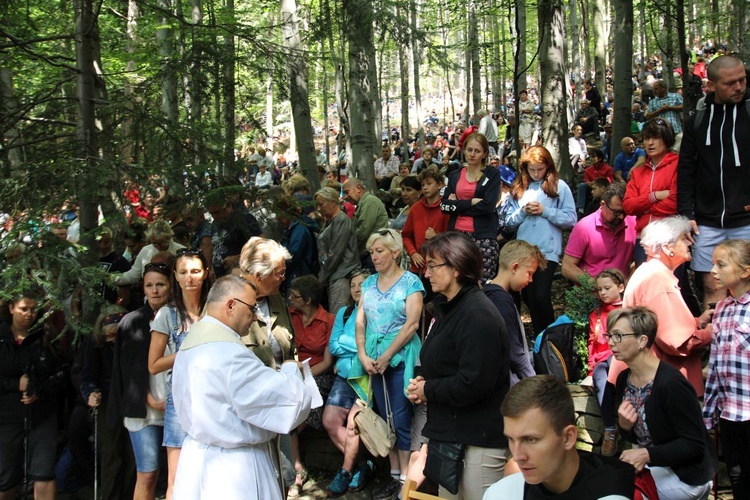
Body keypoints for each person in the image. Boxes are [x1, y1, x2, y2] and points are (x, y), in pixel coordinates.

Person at [171, 275, 312, 499]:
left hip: (197, 462)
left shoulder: (192, 342)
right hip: (234, 471)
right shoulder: (229, 354)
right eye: (252, 307)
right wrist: (290, 370)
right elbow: (289, 403)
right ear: (230, 305)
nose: (255, 316)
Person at [406, 232, 510, 500]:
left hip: (478, 442)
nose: (426, 273)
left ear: (456, 268)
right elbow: (438, 359)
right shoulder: (449, 308)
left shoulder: (477, 314)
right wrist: (420, 379)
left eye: (432, 266)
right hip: (452, 436)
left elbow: (474, 383)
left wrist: (428, 390)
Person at [611, 307, 716, 499]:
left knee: (622, 494)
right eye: (609, 335)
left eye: (618, 336)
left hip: (688, 474)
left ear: (642, 341)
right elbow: (642, 437)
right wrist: (625, 427)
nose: (611, 342)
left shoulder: (672, 384)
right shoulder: (624, 379)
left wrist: (646, 455)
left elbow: (694, 445)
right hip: (657, 466)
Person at [352, 229, 424, 499]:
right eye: (371, 252)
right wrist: (362, 353)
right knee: (385, 418)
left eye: (379, 251)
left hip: (401, 357)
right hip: (373, 357)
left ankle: (407, 480)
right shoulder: (368, 283)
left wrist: (387, 356)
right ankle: (394, 475)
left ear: (395, 252)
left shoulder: (411, 283)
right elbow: (361, 321)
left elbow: (412, 324)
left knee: (402, 417)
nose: (374, 257)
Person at [607, 216, 713, 397]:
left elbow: (659, 323)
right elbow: (677, 341)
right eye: (683, 238)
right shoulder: (658, 279)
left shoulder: (648, 271)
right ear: (666, 248)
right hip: (661, 386)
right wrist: (711, 332)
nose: (690, 242)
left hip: (649, 380)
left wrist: (697, 322)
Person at [483, 375, 635, 499]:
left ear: (568, 437)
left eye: (530, 440)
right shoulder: (500, 493)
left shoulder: (610, 494)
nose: (517, 456)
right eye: (511, 439)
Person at [677, 55, 750, 309]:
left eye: (742, 80)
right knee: (711, 285)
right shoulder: (697, 120)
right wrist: (685, 213)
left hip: (745, 219)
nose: (739, 87)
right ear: (712, 85)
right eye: (731, 83)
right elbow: (686, 169)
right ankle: (716, 345)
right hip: (706, 221)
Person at [147, 249, 211, 500]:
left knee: (210, 471)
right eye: (183, 272)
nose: (189, 278)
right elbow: (153, 365)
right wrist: (188, 351)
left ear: (205, 273)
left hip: (212, 395)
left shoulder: (214, 311)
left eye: (195, 271)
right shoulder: (167, 314)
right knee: (176, 477)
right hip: (180, 397)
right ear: (175, 274)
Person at [108, 262, 172, 500]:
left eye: (160, 284)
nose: (155, 290)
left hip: (176, 406)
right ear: (143, 289)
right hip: (143, 410)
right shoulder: (132, 321)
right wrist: (150, 400)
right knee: (147, 472)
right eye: (149, 285)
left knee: (178, 474)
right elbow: (128, 372)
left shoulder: (181, 318)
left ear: (170, 286)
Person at [504, 146, 577, 334]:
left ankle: (550, 339)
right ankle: (540, 338)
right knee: (529, 296)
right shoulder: (519, 188)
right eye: (532, 169)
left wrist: (546, 211)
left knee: (540, 295)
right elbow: (508, 223)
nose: (536, 174)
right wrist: (522, 212)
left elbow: (571, 219)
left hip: (547, 251)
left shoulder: (559, 186)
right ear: (525, 168)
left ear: (548, 167)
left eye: (540, 169)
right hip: (523, 252)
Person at [0, 292, 60, 500]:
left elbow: (62, 372)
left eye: (34, 310)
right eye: (23, 309)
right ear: (11, 308)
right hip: (6, 416)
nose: (29, 315)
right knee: (5, 477)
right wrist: (14, 384)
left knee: (43, 473)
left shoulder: (46, 335)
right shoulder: (2, 336)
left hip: (41, 414)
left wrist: (39, 389)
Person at [704, 240, 750, 499]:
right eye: (712, 264)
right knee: (737, 477)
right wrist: (709, 414)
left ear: (745, 271)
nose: (713, 270)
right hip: (730, 413)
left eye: (721, 265)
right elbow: (716, 366)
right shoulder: (721, 308)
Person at [323, 271, 376, 497]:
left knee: (354, 424)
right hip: (344, 377)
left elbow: (375, 346)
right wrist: (359, 345)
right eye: (352, 285)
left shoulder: (376, 313)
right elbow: (332, 347)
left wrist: (353, 344)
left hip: (365, 378)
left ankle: (345, 471)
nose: (356, 288)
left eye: (361, 284)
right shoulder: (344, 314)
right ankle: (364, 465)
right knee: (329, 420)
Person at [286, 275, 335, 497]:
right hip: (291, 373)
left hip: (318, 375)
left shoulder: (328, 321)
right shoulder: (290, 315)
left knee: (300, 412)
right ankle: (297, 467)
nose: (290, 300)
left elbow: (326, 362)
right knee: (287, 412)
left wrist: (305, 376)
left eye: (295, 297)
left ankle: (297, 469)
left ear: (307, 300)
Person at [80, 306, 136, 500]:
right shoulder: (95, 343)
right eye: (108, 337)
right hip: (106, 400)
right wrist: (90, 392)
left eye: (115, 336)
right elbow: (87, 375)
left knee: (132, 453)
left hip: (131, 398)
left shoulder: (134, 342)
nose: (111, 340)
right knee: (111, 453)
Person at [440, 132, 502, 282]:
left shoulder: (492, 174)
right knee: (458, 281)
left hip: (484, 237)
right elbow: (444, 206)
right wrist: (470, 202)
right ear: (464, 150)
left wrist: (457, 205)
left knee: (483, 282)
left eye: (477, 151)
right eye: (469, 150)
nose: (472, 154)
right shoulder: (454, 175)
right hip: (458, 234)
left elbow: (488, 206)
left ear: (484, 154)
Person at [485, 240, 544, 385]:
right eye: (529, 273)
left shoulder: (487, 293)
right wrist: (532, 380)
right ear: (515, 267)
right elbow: (514, 350)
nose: (530, 280)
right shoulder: (501, 300)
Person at [623, 118, 680, 266]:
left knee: (670, 287)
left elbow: (674, 202)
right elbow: (628, 206)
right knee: (647, 288)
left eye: (655, 138)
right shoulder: (638, 172)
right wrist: (655, 196)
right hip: (643, 239)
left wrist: (644, 208)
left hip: (670, 237)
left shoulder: (678, 164)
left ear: (667, 139)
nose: (650, 143)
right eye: (647, 138)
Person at [238, 237, 295, 370]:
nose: (283, 278)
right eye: (279, 274)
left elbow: (291, 349)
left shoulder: (276, 298)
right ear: (259, 277)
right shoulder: (230, 303)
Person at [562, 182, 636, 284]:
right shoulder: (584, 227)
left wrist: (630, 282)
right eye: (616, 212)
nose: (621, 217)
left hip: (621, 292)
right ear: (603, 205)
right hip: (590, 293)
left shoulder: (633, 222)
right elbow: (567, 267)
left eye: (624, 212)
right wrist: (597, 285)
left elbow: (637, 260)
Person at [587, 268, 625, 457]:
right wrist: (590, 369)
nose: (603, 293)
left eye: (607, 288)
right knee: (600, 376)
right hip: (603, 361)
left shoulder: (627, 310)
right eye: (599, 289)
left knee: (614, 362)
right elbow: (592, 344)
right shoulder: (596, 314)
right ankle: (610, 429)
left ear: (620, 287)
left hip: (622, 359)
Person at [314, 187, 360, 314]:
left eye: (321, 204)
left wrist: (322, 278)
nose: (318, 208)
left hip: (342, 275)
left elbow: (336, 253)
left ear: (333, 202)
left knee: (338, 315)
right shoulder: (330, 220)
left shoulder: (341, 220)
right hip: (333, 275)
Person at [403, 167, 449, 276]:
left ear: (439, 185)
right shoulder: (416, 208)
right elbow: (406, 235)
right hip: (417, 267)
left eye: (429, 184)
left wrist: (436, 237)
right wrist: (413, 253)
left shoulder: (446, 208)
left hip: (440, 266)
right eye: (423, 185)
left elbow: (452, 238)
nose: (425, 188)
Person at [116, 220, 186, 286]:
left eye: (162, 242)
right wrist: (112, 279)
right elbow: (133, 275)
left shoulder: (181, 252)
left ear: (169, 237)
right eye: (155, 243)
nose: (158, 247)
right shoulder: (145, 251)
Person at [342, 178, 389, 271]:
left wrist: (347, 247)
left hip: (371, 255)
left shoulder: (370, 201)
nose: (345, 197)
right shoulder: (363, 203)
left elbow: (362, 231)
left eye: (347, 192)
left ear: (358, 188)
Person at [645, 80, 684, 150]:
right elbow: (648, 116)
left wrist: (670, 108)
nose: (654, 91)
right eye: (653, 89)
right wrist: (660, 110)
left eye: (656, 89)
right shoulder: (653, 102)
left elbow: (683, 107)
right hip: (661, 133)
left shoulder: (675, 96)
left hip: (676, 130)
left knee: (677, 151)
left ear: (664, 88)